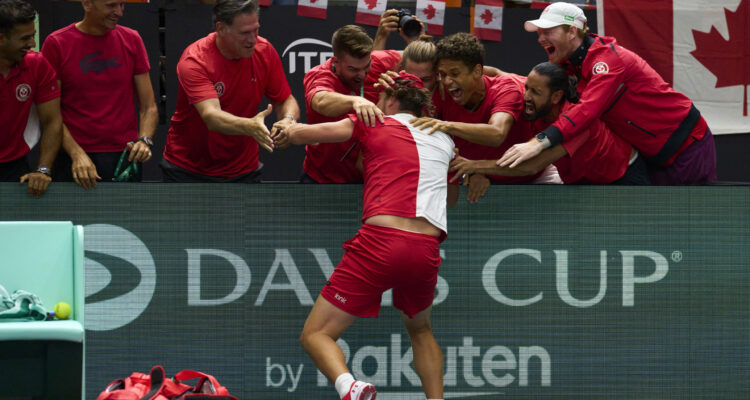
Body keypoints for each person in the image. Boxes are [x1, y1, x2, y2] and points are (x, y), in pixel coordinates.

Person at [283, 73, 452, 400]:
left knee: (315, 334)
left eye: (379, 97)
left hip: (381, 243)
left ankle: (350, 388)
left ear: (390, 100)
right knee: (420, 329)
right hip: (426, 249)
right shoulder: (444, 139)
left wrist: (285, 128)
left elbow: (300, 135)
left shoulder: (372, 121)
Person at [500, 2, 716, 185]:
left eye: (548, 32)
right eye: (539, 33)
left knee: (692, 224)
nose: (541, 39)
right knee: (661, 227)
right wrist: (497, 75)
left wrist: (539, 141)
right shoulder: (566, 64)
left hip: (686, 145)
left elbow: (587, 110)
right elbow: (539, 88)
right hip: (650, 152)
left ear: (572, 32)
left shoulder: (607, 62)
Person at [410, 32, 560, 204]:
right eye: (442, 75)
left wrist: (445, 125)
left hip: (537, 176)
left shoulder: (507, 89)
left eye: (454, 73)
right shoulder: (441, 95)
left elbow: (497, 134)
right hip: (485, 177)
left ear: (477, 71)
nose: (448, 81)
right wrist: (474, 172)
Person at [161, 0, 299, 182]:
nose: (252, 40)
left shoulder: (265, 51)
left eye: (255, 30)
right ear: (221, 28)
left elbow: (284, 100)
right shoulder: (195, 61)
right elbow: (212, 117)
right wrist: (250, 126)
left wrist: (288, 121)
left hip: (244, 169)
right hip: (186, 170)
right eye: (244, 33)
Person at [450, 62, 651, 185]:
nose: (526, 96)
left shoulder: (575, 122)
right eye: (527, 88)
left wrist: (473, 166)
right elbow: (494, 71)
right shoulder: (535, 102)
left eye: (534, 92)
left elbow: (531, 166)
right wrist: (450, 71)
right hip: (585, 180)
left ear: (556, 97)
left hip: (624, 177)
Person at [41, 0, 157, 188]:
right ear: (87, 4)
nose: (119, 12)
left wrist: (144, 140)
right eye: (111, 5)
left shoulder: (132, 39)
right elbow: (51, 115)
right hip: (74, 157)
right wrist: (77, 154)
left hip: (123, 157)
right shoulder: (57, 43)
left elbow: (149, 107)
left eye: (122, 5)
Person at [301, 24, 401, 183]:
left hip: (369, 181)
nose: (361, 75)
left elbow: (418, 59)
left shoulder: (379, 61)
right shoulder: (319, 75)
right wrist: (355, 101)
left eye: (366, 66)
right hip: (322, 180)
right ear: (336, 61)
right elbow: (320, 101)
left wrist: (415, 40)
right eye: (353, 69)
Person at [0, 0, 62, 198]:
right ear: (1, 38)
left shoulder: (37, 65)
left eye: (33, 36)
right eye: (25, 38)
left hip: (14, 168)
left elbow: (53, 122)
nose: (32, 44)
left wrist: (43, 170)